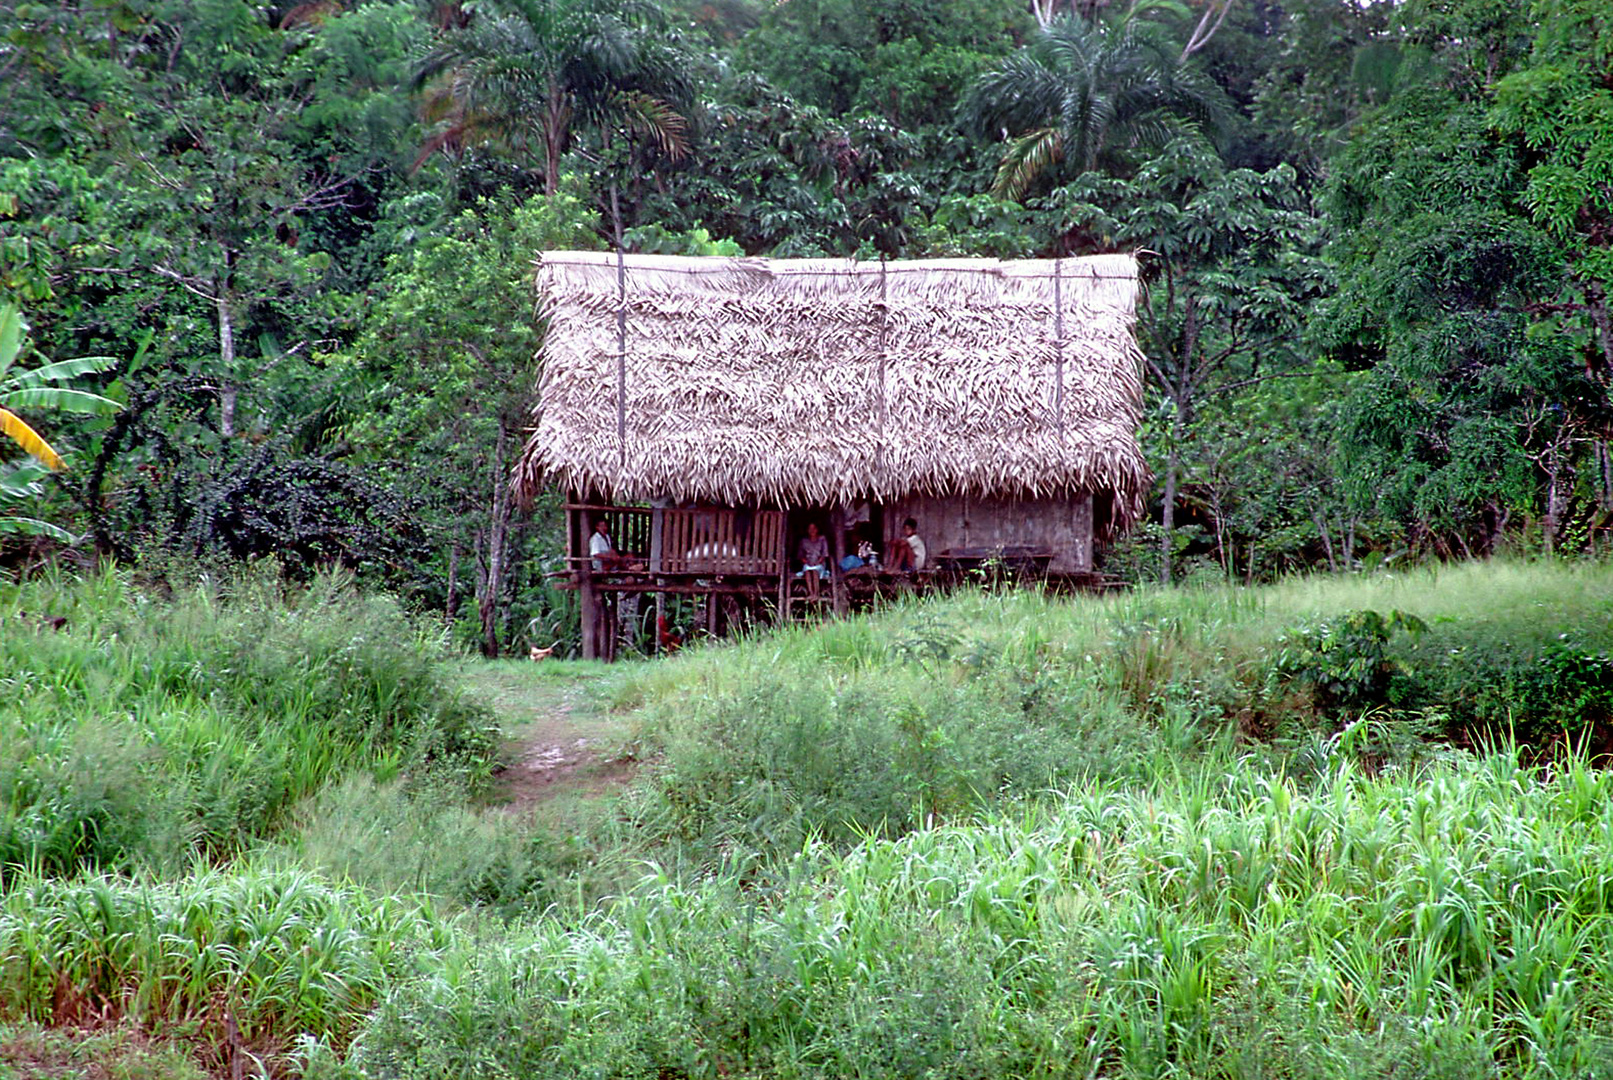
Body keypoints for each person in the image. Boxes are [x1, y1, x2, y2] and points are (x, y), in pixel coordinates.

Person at [796, 521, 829, 599]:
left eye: (814, 528)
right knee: (808, 573)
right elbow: (800, 555)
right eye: (810, 529)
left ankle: (816, 593)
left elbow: (824, 554)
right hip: (808, 564)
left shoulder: (822, 539)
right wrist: (806, 562)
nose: (812, 531)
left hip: (819, 564)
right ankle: (811, 593)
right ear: (807, 530)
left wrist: (818, 562)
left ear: (817, 530)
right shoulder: (804, 541)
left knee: (814, 572)